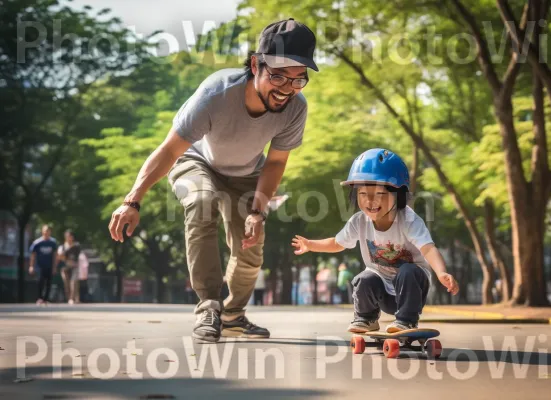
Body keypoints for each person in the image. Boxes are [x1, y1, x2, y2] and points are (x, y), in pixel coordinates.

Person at [107, 19, 318, 342]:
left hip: (248, 173)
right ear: (254, 65)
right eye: (277, 75)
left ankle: (233, 316)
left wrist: (258, 212)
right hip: (195, 161)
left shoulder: (295, 109)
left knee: (250, 244)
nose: (286, 89)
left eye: (297, 80)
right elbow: (168, 150)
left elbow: (275, 163)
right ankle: (208, 304)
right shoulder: (216, 94)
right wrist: (132, 200)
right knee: (201, 202)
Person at [292, 148, 459, 333]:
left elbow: (428, 248)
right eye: (363, 194)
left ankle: (406, 320)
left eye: (379, 194)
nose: (370, 201)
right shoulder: (358, 221)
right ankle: (366, 318)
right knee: (364, 277)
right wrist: (310, 245)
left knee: (408, 270)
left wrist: (441, 272)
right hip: (383, 293)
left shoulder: (409, 220)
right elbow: (337, 243)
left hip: (412, 290)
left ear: (398, 194)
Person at [29, 225, 58, 305]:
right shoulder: (37, 242)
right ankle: (40, 298)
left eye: (48, 231)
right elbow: (33, 255)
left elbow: (55, 255)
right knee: (40, 282)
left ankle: (46, 299)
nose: (46, 232)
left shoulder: (53, 242)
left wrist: (54, 267)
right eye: (45, 231)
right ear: (42, 231)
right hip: (39, 266)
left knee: (49, 283)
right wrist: (31, 266)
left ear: (50, 232)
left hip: (49, 266)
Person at [58, 230, 82, 305]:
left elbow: (78, 255)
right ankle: (69, 298)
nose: (69, 238)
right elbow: (60, 256)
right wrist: (67, 250)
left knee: (74, 282)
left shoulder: (76, 245)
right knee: (66, 283)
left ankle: (72, 298)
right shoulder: (62, 246)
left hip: (74, 266)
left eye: (70, 236)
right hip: (65, 267)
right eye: (67, 236)